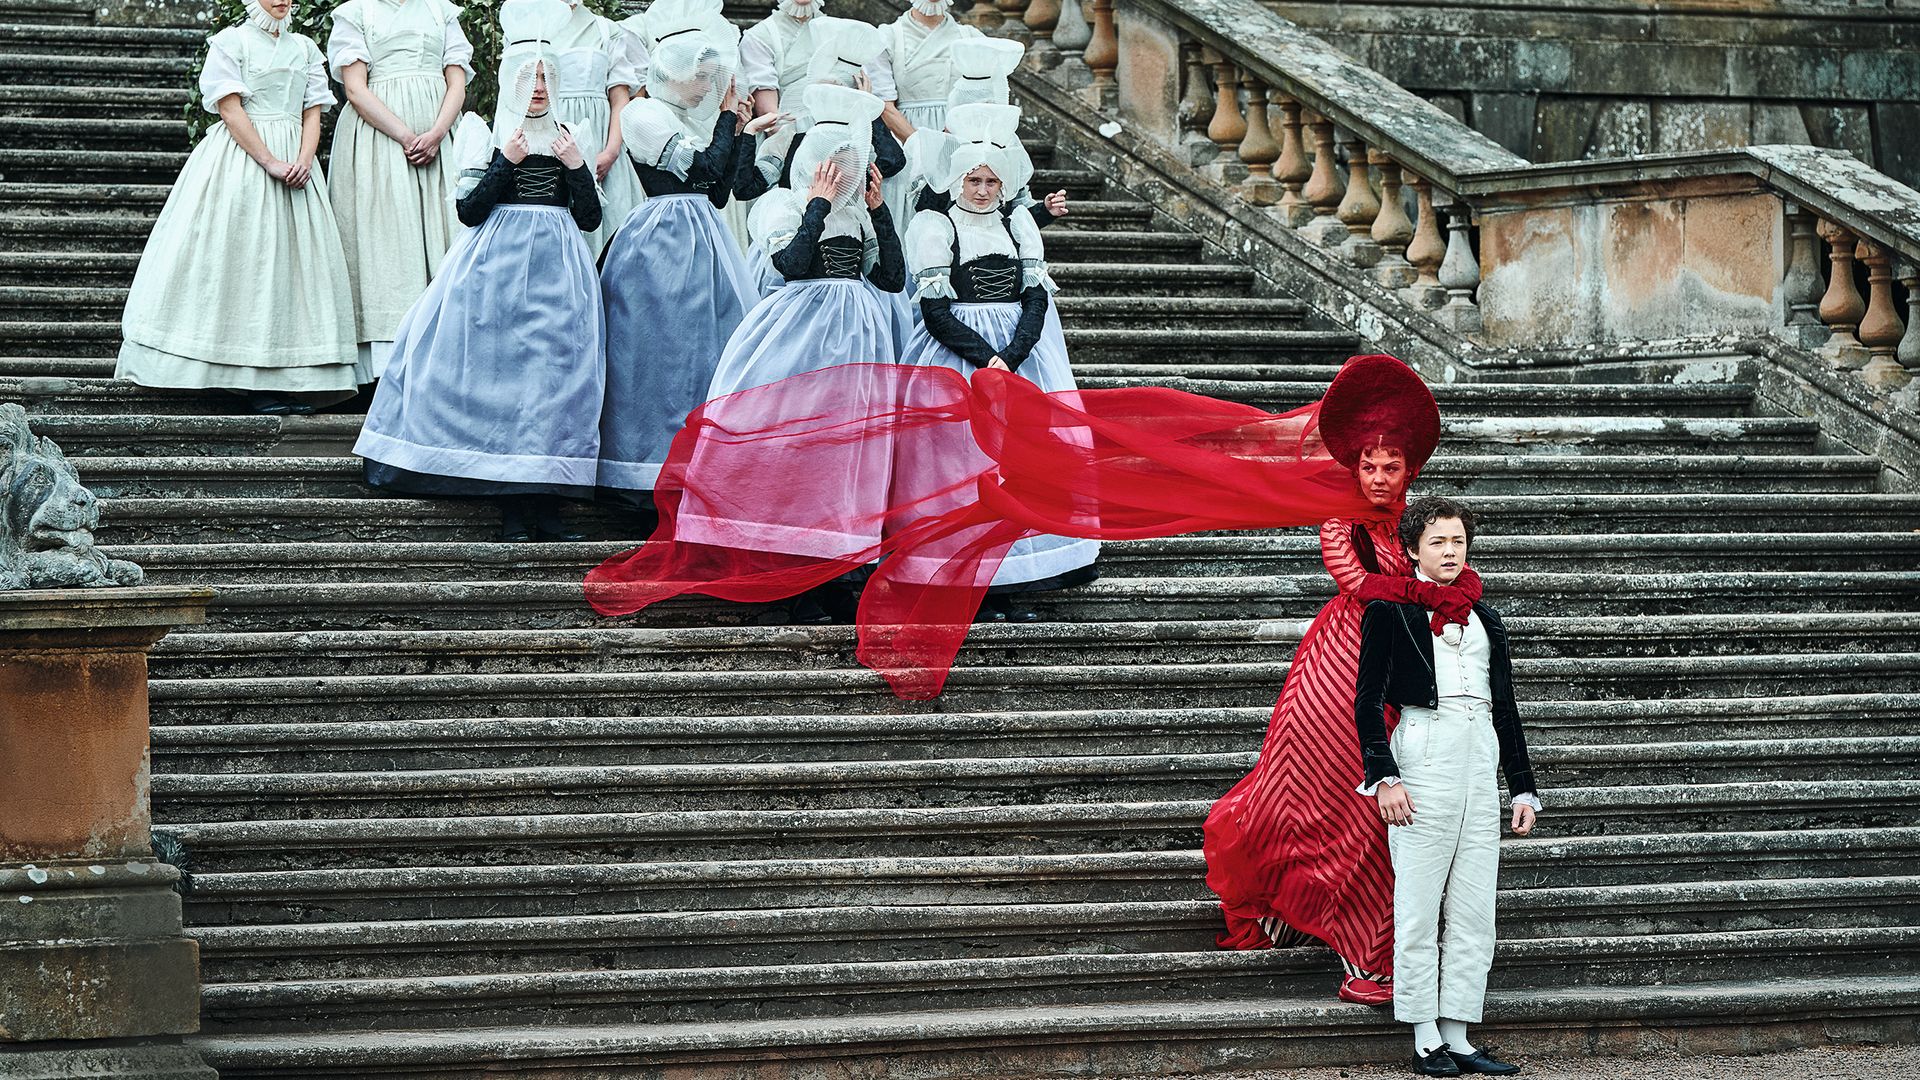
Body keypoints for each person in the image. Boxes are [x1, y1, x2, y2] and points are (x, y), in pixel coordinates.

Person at [1202, 353, 1483, 1007]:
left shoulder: (1418, 521)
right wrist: (1434, 592)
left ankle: (1362, 943)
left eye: (1392, 467)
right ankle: (1365, 955)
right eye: (1370, 466)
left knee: (1385, 815)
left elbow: (1448, 571)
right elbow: (1357, 583)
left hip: (1407, 671)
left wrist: (1456, 588)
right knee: (1356, 813)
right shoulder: (1340, 520)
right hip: (1339, 675)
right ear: (1353, 467)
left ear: (1408, 470)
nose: (1381, 477)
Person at [353, 0, 604, 543]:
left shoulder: (568, 133)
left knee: (553, 384)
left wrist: (576, 164)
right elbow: (469, 211)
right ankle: (510, 505)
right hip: (498, 267)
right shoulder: (486, 134)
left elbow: (588, 217)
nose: (538, 86)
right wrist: (505, 161)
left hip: (560, 270)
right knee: (504, 382)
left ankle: (548, 501)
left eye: (546, 77)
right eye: (529, 76)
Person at [694, 83, 903, 621]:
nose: (841, 171)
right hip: (797, 337)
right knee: (787, 447)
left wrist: (878, 213)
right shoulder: (781, 203)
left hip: (857, 343)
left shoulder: (858, 213)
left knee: (841, 456)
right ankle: (776, 573)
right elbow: (790, 264)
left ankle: (832, 572)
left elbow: (891, 277)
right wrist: (816, 204)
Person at [1354, 495, 1539, 1077]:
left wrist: (1523, 788)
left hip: (1479, 755)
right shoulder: (1388, 609)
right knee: (1417, 904)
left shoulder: (1487, 616)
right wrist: (1383, 777)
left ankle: (1459, 1032)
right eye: (1437, 541)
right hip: (1424, 751)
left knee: (1474, 906)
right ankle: (1424, 1035)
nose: (1450, 551)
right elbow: (1365, 702)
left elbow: (1505, 705)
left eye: (1458, 541)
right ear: (1412, 549)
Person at [897, 101, 1096, 619]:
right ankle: (965, 575)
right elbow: (936, 312)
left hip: (1020, 356)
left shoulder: (1018, 227)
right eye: (972, 180)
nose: (982, 190)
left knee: (1023, 458)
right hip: (958, 357)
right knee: (962, 462)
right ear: (957, 182)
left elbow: (1035, 298)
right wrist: (986, 359)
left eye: (990, 181)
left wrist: (1013, 355)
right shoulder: (935, 227)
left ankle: (1018, 576)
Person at [116, 0, 357, 416]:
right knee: (243, 261)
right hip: (243, 164)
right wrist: (269, 161)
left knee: (290, 272)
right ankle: (233, 373)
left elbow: (312, 112)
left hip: (296, 164)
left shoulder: (304, 48)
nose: (283, 0)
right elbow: (230, 109)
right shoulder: (232, 42)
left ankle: (284, 377)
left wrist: (303, 159)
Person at [595, 0, 774, 506]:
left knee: (709, 351)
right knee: (659, 352)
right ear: (673, 73)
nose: (707, 85)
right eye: (701, 76)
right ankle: (645, 472)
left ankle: (705, 469)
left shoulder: (683, 117)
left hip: (705, 235)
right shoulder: (644, 112)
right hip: (662, 237)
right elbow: (699, 171)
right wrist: (725, 124)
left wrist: (739, 132)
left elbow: (719, 191)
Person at [326, 0, 473, 383]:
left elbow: (456, 81)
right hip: (379, 141)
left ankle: (443, 360)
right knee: (386, 245)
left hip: (439, 138)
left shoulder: (440, 10)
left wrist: (438, 132)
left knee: (446, 237)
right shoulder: (355, 13)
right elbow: (355, 90)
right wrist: (407, 136)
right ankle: (383, 366)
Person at [733, 0, 891, 251]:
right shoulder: (761, 35)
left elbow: (892, 159)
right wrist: (800, 149)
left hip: (844, 136)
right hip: (793, 135)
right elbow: (769, 111)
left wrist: (860, 114)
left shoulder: (841, 32)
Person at [900, 36, 1068, 230]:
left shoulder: (1007, 145)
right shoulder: (941, 146)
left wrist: (1045, 210)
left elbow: (1019, 213)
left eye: (990, 107)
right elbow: (924, 211)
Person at [549, 0, 648, 254]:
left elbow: (619, 99)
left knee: (610, 237)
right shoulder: (530, 26)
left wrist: (611, 151)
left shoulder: (607, 30)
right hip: (551, 140)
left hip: (602, 142)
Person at [872, 0, 980, 222]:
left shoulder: (972, 38)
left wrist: (949, 147)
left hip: (959, 144)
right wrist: (923, 150)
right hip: (906, 143)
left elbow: (982, 99)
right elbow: (885, 106)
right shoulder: (887, 37)